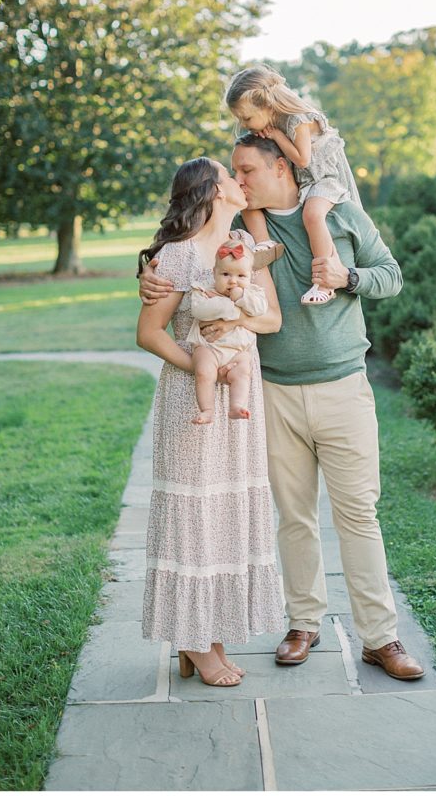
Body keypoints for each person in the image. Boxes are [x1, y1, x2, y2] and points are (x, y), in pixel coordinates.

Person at [140, 135, 424, 682]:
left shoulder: (335, 215)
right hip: (269, 391)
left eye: (247, 171)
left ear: (282, 166)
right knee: (288, 517)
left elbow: (390, 275)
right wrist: (149, 269)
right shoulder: (244, 233)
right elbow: (183, 259)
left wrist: (348, 277)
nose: (240, 181)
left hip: (342, 385)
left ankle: (381, 639)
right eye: (234, 174)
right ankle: (302, 623)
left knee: (358, 514)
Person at [136, 156, 285, 688]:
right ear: (213, 191)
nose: (241, 182)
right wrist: (205, 367)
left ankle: (209, 634)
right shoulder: (176, 257)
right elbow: (150, 333)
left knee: (225, 515)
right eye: (231, 176)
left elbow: (272, 318)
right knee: (194, 517)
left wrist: (234, 319)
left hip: (241, 396)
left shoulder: (245, 245)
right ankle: (196, 642)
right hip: (192, 399)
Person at [225, 64, 361, 306]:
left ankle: (325, 280)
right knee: (250, 196)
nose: (244, 124)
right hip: (307, 178)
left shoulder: (298, 120)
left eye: (246, 117)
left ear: (266, 105)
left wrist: (277, 136)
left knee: (312, 215)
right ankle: (264, 243)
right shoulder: (271, 124)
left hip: (325, 178)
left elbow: (302, 159)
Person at [187, 238, 268, 424]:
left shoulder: (253, 293)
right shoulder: (203, 290)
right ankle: (207, 409)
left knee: (243, 372)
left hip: (238, 351)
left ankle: (237, 406)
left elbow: (259, 309)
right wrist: (230, 304)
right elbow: (199, 311)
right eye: (225, 274)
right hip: (209, 347)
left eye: (241, 276)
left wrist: (240, 298)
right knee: (203, 371)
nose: (233, 281)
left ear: (250, 276)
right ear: (214, 273)